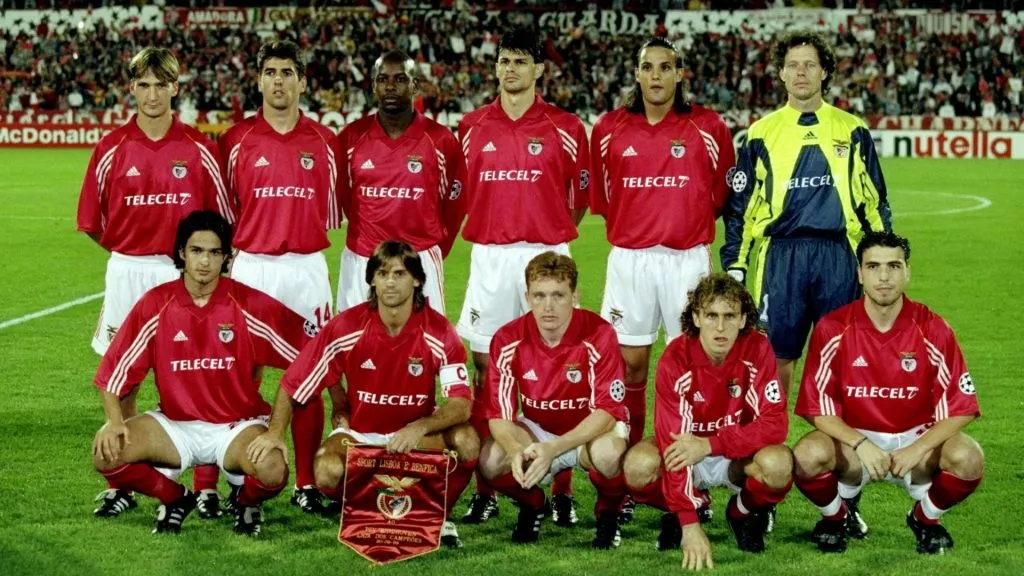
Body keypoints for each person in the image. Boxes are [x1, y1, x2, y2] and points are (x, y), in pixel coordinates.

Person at [77, 47, 232, 520]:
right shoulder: (110, 148)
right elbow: (94, 222)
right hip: (127, 269)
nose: (151, 94)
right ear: (131, 88)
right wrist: (131, 254)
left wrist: (181, 263)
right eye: (142, 85)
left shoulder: (200, 148)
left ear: (175, 88)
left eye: (160, 85)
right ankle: (129, 473)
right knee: (122, 376)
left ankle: (205, 484)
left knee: (194, 370)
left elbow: (222, 219)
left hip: (181, 272)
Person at [91, 211, 313, 536]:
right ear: (182, 252)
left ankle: (246, 502)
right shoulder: (156, 304)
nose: (205, 261)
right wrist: (113, 422)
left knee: (272, 470)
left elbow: (306, 361)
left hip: (236, 427)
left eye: (214, 252)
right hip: (175, 426)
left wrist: (276, 431)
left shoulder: (249, 304)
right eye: (196, 251)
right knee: (106, 455)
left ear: (226, 256)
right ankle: (176, 498)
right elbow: (112, 375)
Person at [589, 38, 735, 523]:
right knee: (627, 371)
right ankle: (630, 476)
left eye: (665, 67)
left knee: (690, 372)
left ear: (680, 74)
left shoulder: (708, 126)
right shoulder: (609, 129)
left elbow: (719, 198)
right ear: (636, 73)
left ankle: (686, 477)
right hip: (630, 260)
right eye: (647, 67)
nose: (656, 76)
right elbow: (606, 199)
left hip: (686, 261)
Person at [248, 241, 478, 548]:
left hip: (414, 437)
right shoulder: (346, 327)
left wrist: (419, 426)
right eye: (382, 273)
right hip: (359, 435)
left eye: (400, 273)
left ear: (417, 280)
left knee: (467, 440)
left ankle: (439, 513)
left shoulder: (439, 331)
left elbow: (461, 405)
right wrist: (276, 433)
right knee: (326, 472)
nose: (391, 281)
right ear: (371, 280)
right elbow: (293, 383)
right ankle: (379, 506)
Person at [456, 25, 591, 527]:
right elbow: (461, 196)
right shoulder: (470, 126)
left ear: (539, 68)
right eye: (503, 60)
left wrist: (548, 240)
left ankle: (561, 489)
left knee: (558, 370)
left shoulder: (566, 127)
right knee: (486, 371)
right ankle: (487, 487)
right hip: (490, 256)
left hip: (546, 253)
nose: (510, 69)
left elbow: (578, 199)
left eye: (521, 61)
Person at [720, 30, 892, 399]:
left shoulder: (853, 129)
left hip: (839, 256)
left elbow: (873, 200)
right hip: (780, 257)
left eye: (810, 65)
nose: (801, 72)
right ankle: (773, 445)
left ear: (824, 72)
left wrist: (883, 256)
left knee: (844, 356)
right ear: (780, 73)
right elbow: (741, 207)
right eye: (793, 65)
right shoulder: (761, 133)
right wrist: (736, 262)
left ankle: (842, 449)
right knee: (778, 358)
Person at [792, 231, 983, 554]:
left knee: (969, 458)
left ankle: (925, 518)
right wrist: (861, 443)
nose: (884, 277)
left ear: (907, 271)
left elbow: (962, 406)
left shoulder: (933, 328)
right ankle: (838, 516)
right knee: (806, 455)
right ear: (860, 273)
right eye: (873, 266)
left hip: (916, 441)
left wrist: (917, 448)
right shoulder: (833, 328)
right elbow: (815, 406)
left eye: (893, 266)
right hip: (855, 442)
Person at [219, 40, 340, 515]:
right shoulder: (235, 141)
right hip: (253, 267)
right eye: (270, 71)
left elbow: (332, 213)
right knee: (241, 373)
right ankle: (240, 473)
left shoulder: (325, 143)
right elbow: (227, 211)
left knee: (310, 374)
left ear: (302, 81)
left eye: (288, 72)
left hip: (306, 268)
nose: (278, 80)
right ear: (259, 79)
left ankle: (306, 482)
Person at [622, 273, 792, 570]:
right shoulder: (675, 358)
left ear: (743, 320)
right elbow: (673, 442)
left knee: (779, 466)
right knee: (637, 467)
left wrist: (711, 443)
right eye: (711, 315)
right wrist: (689, 523)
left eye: (730, 316)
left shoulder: (757, 348)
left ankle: (740, 513)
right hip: (687, 450)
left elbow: (776, 422)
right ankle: (689, 506)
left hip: (735, 454)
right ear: (696, 317)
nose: (720, 326)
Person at [475, 252, 629, 549]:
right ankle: (534, 504)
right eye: (540, 295)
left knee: (610, 454)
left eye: (558, 295)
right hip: (538, 429)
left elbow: (609, 411)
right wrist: (517, 449)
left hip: (588, 431)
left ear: (575, 297)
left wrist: (553, 449)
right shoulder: (508, 338)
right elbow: (499, 415)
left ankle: (607, 514)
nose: (548, 306)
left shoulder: (599, 334)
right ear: (527, 297)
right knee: (491, 461)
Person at [335, 50, 466, 316]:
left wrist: (434, 251)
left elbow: (456, 203)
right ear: (374, 86)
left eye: (400, 79)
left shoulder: (440, 140)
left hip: (420, 259)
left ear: (415, 85)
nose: (391, 86)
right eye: (383, 79)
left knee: (424, 350)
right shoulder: (351, 138)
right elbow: (344, 197)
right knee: (355, 349)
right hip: (362, 258)